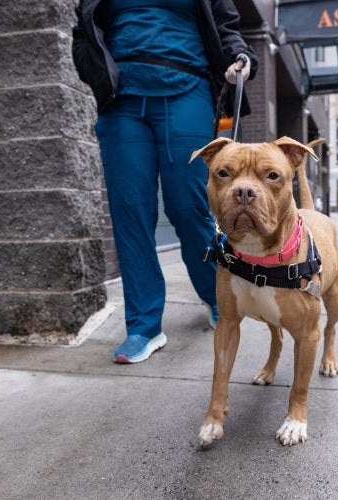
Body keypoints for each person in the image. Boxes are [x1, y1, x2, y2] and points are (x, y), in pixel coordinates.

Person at [73, 0, 258, 364]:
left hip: (186, 90)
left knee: (189, 208)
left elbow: (225, 25)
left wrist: (240, 57)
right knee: (130, 211)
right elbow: (84, 31)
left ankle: (216, 294)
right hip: (121, 99)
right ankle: (143, 326)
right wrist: (92, 67)